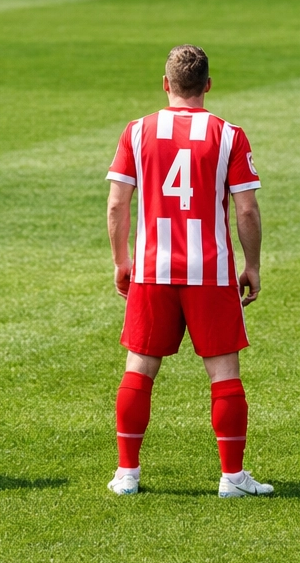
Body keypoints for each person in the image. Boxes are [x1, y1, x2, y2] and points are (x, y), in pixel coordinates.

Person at [104, 46, 271, 498]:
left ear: (166, 84)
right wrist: (251, 264)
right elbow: (248, 210)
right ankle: (233, 478)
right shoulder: (229, 135)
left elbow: (119, 202)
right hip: (211, 270)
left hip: (153, 269)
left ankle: (127, 474)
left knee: (139, 369)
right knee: (223, 372)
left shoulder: (137, 131)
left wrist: (122, 261)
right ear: (208, 86)